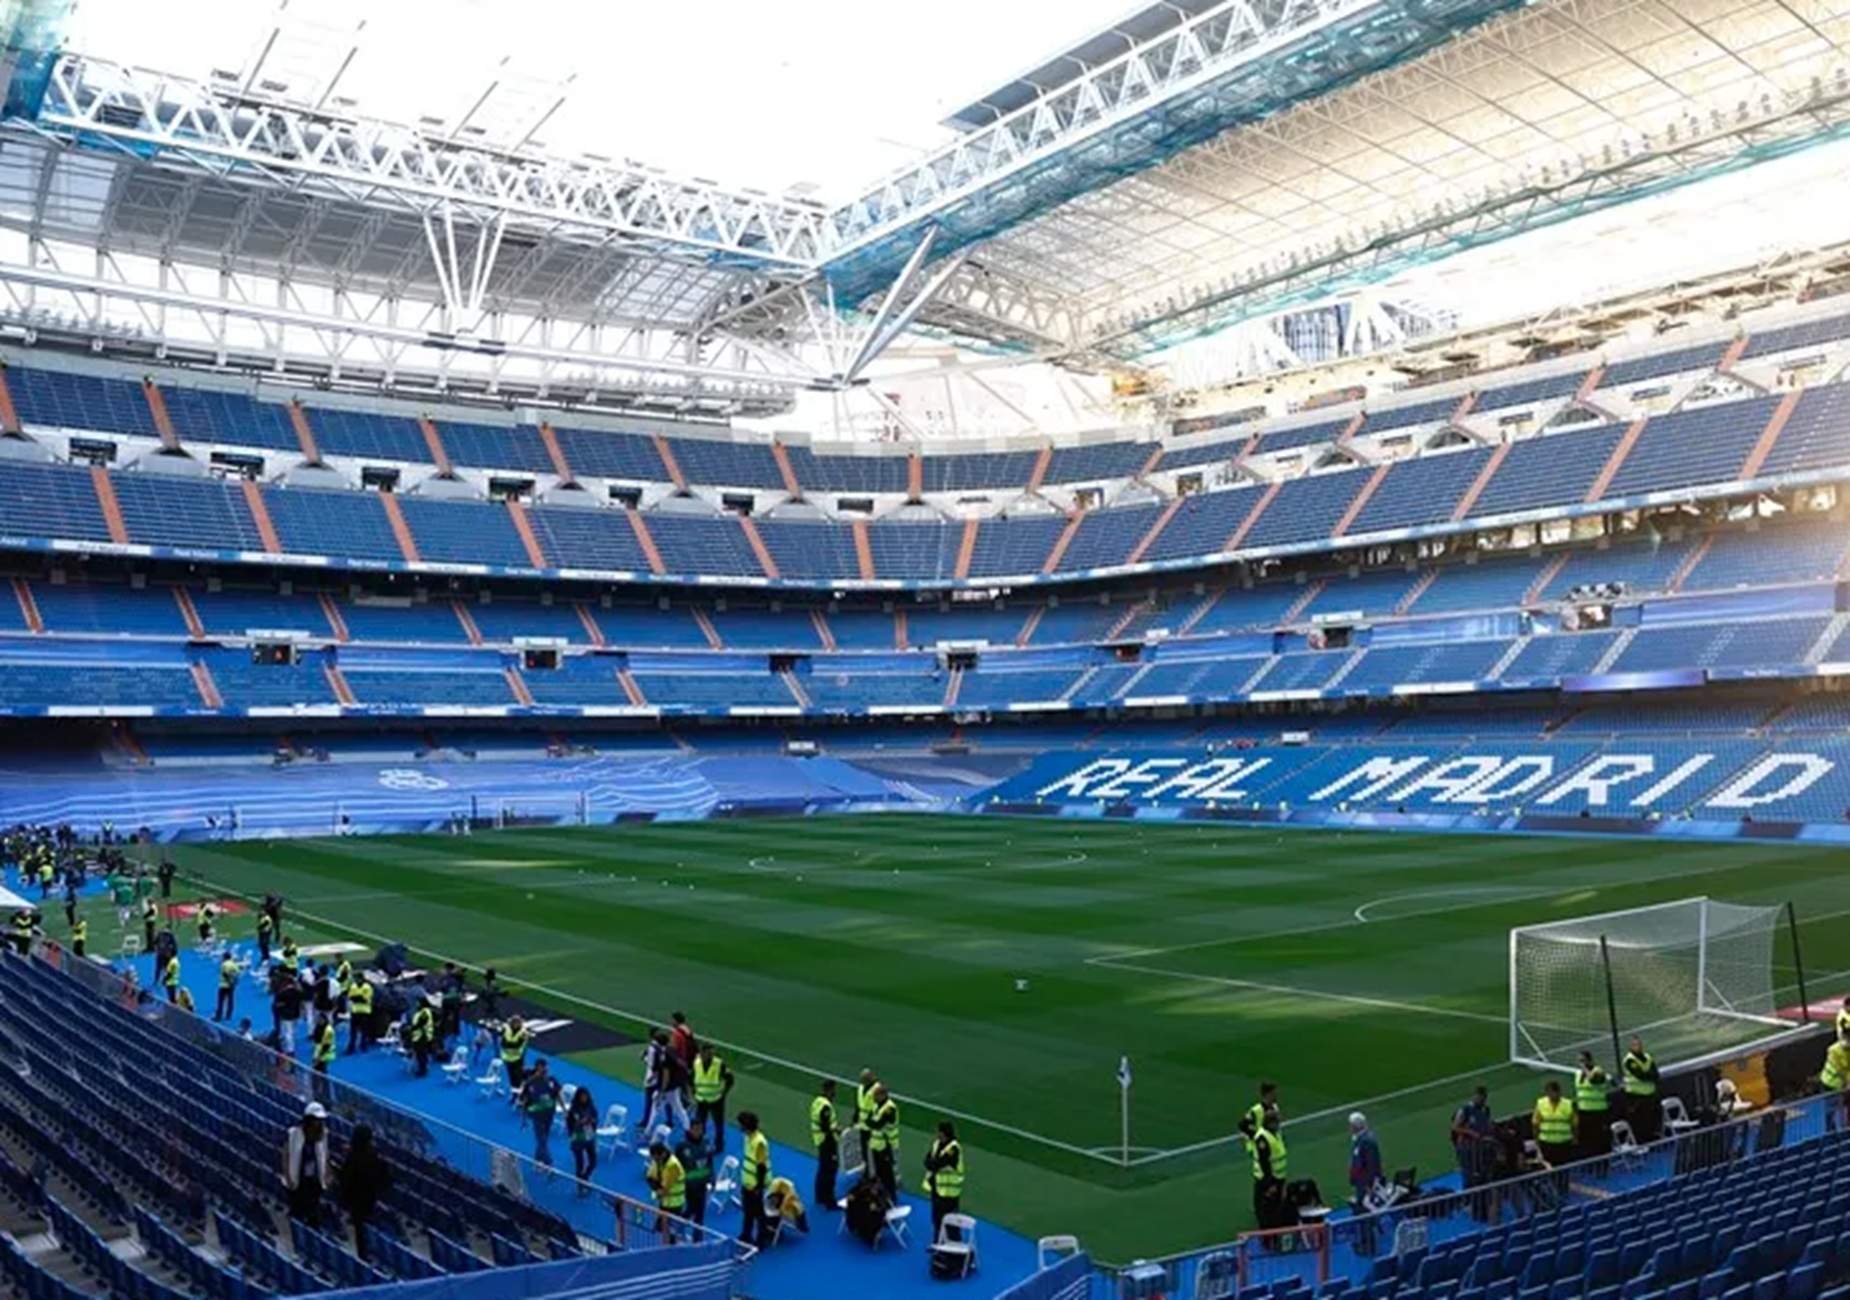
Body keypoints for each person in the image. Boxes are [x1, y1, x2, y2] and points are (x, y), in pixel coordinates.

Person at [335, 1125, 392, 1261]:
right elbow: (385, 1179)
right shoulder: (372, 1157)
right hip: (369, 1200)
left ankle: (363, 1257)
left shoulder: (350, 1157)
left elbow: (344, 1178)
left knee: (360, 1230)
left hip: (354, 1201)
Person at [281, 1102, 331, 1227]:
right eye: (316, 1119)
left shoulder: (324, 1134)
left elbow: (325, 1154)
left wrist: (327, 1174)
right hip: (298, 1177)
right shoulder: (294, 1133)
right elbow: (286, 1154)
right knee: (298, 1208)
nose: (319, 1122)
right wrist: (287, 1176)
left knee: (314, 1209)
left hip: (315, 1178)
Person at [1451, 1085, 1499, 1192]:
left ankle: (1482, 1194)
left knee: (1482, 1172)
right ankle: (1468, 1197)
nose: (1481, 1100)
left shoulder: (1485, 1109)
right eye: (1479, 1097)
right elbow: (1455, 1127)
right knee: (1469, 1173)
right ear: (1475, 1096)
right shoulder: (1465, 1110)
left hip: (1481, 1147)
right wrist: (1470, 1133)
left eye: (1483, 1098)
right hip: (1467, 1148)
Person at [922, 1119, 964, 1238]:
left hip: (949, 1193)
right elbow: (927, 1160)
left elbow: (936, 1164)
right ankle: (938, 1244)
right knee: (937, 1219)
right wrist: (932, 1163)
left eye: (939, 1132)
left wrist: (932, 1163)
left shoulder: (953, 1149)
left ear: (945, 1133)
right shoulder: (937, 1144)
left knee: (951, 1222)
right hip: (937, 1188)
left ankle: (954, 1247)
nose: (937, 1134)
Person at [1348, 1111, 1383, 1252]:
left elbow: (1371, 1165)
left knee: (1364, 1214)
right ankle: (1365, 1242)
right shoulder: (1364, 1139)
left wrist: (1369, 1185)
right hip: (1362, 1182)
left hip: (1365, 1184)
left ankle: (1368, 1245)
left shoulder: (1365, 1142)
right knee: (1363, 1213)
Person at [692, 1043, 735, 1154]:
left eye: (711, 1053)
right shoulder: (696, 1063)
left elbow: (730, 1079)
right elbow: (691, 1078)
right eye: (707, 1053)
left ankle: (719, 1145)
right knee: (700, 1123)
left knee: (718, 1124)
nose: (709, 1056)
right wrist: (694, 1091)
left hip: (716, 1100)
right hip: (701, 1100)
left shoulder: (719, 1064)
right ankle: (700, 1143)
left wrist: (723, 1093)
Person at [1251, 1107, 1289, 1232]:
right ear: (1270, 1123)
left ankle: (1276, 1234)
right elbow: (1264, 1162)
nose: (1278, 1125)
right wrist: (1270, 1184)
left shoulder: (1275, 1134)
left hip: (1278, 1178)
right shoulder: (1262, 1138)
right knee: (1265, 1210)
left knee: (1277, 1209)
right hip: (1266, 1180)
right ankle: (1267, 1237)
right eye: (1276, 1122)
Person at [738, 1110, 771, 1248]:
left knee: (758, 1212)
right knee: (747, 1209)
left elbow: (761, 1166)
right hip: (747, 1181)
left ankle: (761, 1239)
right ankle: (746, 1234)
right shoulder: (748, 1137)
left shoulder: (759, 1143)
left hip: (756, 1184)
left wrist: (759, 1186)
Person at [519, 1059, 561, 1168]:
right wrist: (523, 1118)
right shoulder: (530, 1082)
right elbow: (524, 1100)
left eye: (545, 1067)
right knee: (541, 1138)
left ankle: (537, 1160)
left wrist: (565, 1110)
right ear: (537, 1068)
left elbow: (557, 1095)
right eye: (542, 1067)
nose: (544, 1069)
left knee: (544, 1137)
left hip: (549, 1113)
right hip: (536, 1114)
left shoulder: (551, 1080)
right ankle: (549, 1163)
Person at [645, 1139, 687, 1242]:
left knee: (672, 1230)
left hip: (675, 1203)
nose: (654, 1161)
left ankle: (676, 1246)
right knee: (663, 1227)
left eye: (656, 1158)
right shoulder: (658, 1161)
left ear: (662, 1154)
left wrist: (656, 1189)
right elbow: (650, 1176)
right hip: (665, 1201)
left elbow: (664, 1189)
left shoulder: (672, 1166)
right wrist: (655, 1187)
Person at [1575, 1051, 1612, 1159]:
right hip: (1584, 1112)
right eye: (1579, 1061)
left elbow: (1593, 1080)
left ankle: (1604, 1162)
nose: (1581, 1063)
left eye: (1583, 1060)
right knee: (1588, 1140)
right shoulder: (1578, 1074)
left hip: (1598, 1112)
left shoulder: (1598, 1071)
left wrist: (1585, 1069)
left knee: (1601, 1140)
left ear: (1590, 1060)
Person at [1622, 1036, 1660, 1142]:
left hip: (1649, 1095)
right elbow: (1641, 1075)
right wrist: (1649, 1075)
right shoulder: (1629, 1060)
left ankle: (1651, 1141)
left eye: (1639, 1044)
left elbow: (1655, 1073)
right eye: (1635, 1045)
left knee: (1650, 1121)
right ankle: (1640, 1143)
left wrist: (1650, 1075)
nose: (1638, 1047)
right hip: (1635, 1097)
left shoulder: (1647, 1057)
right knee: (1639, 1123)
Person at [676, 1120, 714, 1226]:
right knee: (691, 1209)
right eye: (696, 1129)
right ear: (690, 1130)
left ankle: (697, 1238)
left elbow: (710, 1162)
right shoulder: (682, 1146)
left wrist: (712, 1177)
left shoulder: (706, 1143)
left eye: (700, 1129)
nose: (698, 1132)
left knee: (700, 1213)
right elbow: (676, 1165)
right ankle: (677, 1225)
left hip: (702, 1183)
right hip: (689, 1184)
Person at [810, 1078, 840, 1211]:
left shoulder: (817, 1102)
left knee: (823, 1169)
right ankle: (830, 1201)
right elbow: (825, 1126)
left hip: (820, 1140)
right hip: (827, 1141)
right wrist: (836, 1129)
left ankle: (820, 1196)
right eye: (833, 1090)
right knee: (830, 1170)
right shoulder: (825, 1106)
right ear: (829, 1090)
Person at [1533, 1079, 1576, 1168]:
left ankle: (1563, 1182)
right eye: (1549, 1092)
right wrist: (1537, 1141)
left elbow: (1574, 1124)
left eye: (1553, 1092)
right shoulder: (1541, 1103)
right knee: (1550, 1167)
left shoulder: (1567, 1104)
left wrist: (1574, 1138)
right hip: (1547, 1142)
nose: (1551, 1095)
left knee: (1564, 1167)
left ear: (1559, 1092)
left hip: (1564, 1142)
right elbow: (1535, 1123)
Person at [867, 1083, 900, 1201]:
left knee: (888, 1176)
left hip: (887, 1147)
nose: (874, 1098)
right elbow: (868, 1121)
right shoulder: (877, 1106)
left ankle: (891, 1198)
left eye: (876, 1095)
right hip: (876, 1145)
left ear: (883, 1095)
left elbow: (876, 1124)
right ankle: (882, 1197)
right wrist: (872, 1123)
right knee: (879, 1174)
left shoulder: (890, 1109)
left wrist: (872, 1123)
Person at [566, 1084, 599, 1185]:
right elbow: (571, 1122)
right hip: (578, 1138)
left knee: (593, 1161)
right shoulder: (574, 1108)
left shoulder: (591, 1106)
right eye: (582, 1096)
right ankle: (580, 1185)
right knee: (579, 1163)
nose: (584, 1098)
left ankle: (585, 1176)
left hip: (589, 1137)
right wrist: (573, 1131)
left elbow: (596, 1118)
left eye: (586, 1096)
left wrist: (592, 1122)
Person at [1821, 1035, 1850, 1130]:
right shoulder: (1834, 1051)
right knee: (1830, 1110)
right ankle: (1831, 1132)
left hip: (1842, 1085)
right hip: (1830, 1084)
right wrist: (1847, 1083)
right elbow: (1841, 1069)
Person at [1240, 1081, 1279, 1149]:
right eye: (1273, 1093)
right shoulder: (1256, 1110)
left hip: (1273, 1145)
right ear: (1267, 1094)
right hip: (1261, 1147)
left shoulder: (1275, 1107)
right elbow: (1242, 1125)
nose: (1276, 1095)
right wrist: (1257, 1138)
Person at [854, 1068, 880, 1165]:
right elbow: (858, 1103)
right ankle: (867, 1172)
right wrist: (855, 1117)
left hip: (873, 1126)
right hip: (863, 1125)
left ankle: (874, 1174)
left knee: (874, 1152)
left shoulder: (877, 1089)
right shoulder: (861, 1088)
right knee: (864, 1151)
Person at [500, 1015, 533, 1091]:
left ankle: (522, 1087)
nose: (515, 1024)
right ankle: (514, 1091)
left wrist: (508, 1045)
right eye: (514, 1022)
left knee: (518, 1075)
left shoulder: (523, 1033)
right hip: (507, 1057)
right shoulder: (506, 1029)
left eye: (517, 1023)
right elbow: (503, 1043)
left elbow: (517, 1045)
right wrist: (508, 1045)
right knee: (511, 1075)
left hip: (518, 1057)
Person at [408, 996, 437, 1077]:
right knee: (420, 1053)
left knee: (421, 1054)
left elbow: (421, 1023)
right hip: (418, 1035)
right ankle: (422, 1067)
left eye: (418, 1002)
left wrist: (412, 1028)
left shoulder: (424, 1012)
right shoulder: (421, 1011)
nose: (417, 1004)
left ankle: (423, 1070)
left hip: (422, 1036)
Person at [347, 975, 374, 1054]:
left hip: (365, 1011)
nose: (356, 980)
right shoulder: (353, 986)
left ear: (362, 979)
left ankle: (363, 1045)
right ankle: (352, 1046)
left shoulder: (367, 987)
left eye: (358, 979)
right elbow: (350, 997)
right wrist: (358, 997)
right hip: (355, 1011)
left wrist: (356, 997)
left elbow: (365, 999)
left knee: (364, 1030)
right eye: (356, 979)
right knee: (353, 1030)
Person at [311, 1014, 337, 1098]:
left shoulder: (329, 1030)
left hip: (325, 1055)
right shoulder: (317, 1027)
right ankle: (319, 1094)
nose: (318, 1021)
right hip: (318, 1052)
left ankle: (325, 1095)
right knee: (318, 1074)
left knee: (322, 1075)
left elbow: (326, 1045)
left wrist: (318, 1058)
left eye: (320, 1019)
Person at [215, 952, 239, 1022]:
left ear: (225, 957)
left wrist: (229, 981)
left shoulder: (224, 964)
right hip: (232, 986)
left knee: (221, 1001)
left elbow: (225, 974)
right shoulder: (234, 964)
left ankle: (218, 1016)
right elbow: (237, 974)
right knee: (230, 1000)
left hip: (224, 985)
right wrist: (234, 982)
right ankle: (228, 1016)